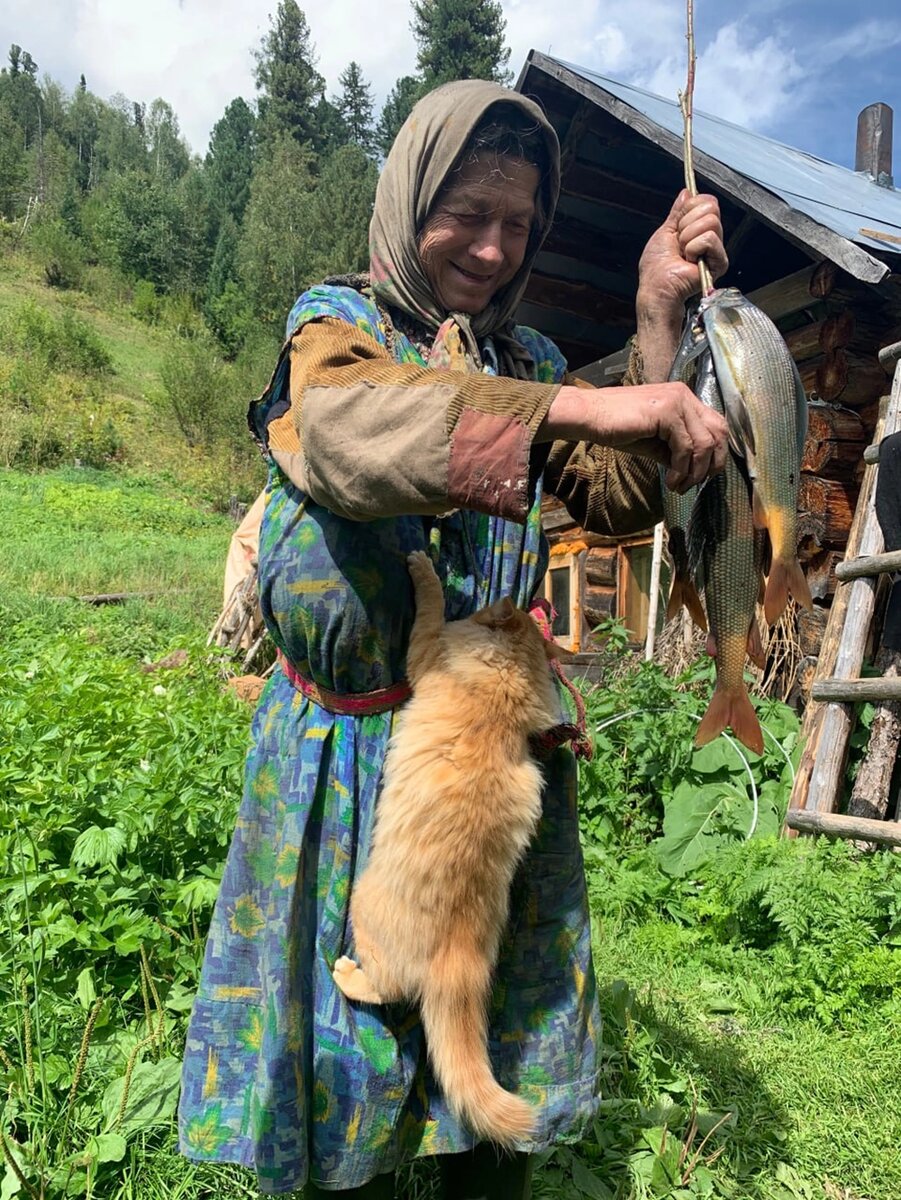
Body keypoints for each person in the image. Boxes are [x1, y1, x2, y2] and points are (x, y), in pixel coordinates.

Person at [178, 79, 728, 1198]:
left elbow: (620, 495)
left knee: (484, 1039)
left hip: (474, 763)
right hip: (349, 766)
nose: (491, 246)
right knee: (358, 1060)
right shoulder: (332, 329)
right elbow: (350, 437)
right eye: (465, 213)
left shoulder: (523, 359)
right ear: (410, 195)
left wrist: (656, 316)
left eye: (518, 224)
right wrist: (585, 405)